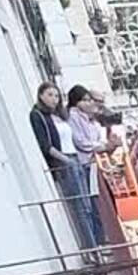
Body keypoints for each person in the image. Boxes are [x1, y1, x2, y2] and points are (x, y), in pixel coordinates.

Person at [27, 83, 99, 254]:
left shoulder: (60, 115)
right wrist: (66, 160)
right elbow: (46, 144)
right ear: (41, 95)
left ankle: (94, 244)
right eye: (50, 95)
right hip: (65, 161)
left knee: (87, 205)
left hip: (75, 157)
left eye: (57, 96)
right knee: (80, 207)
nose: (54, 99)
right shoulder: (38, 115)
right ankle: (91, 248)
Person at [63, 85, 114, 257]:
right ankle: (95, 244)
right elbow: (82, 142)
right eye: (86, 100)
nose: (91, 103)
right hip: (84, 164)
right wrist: (101, 147)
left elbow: (95, 139)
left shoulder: (90, 120)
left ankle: (100, 240)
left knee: (96, 204)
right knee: (88, 206)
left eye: (90, 100)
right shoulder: (74, 117)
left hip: (94, 162)